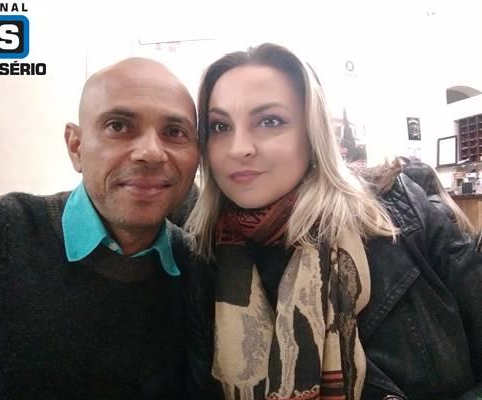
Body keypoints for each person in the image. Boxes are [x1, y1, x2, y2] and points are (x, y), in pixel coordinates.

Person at [185, 43, 482, 400]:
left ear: (313, 134)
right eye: (220, 126)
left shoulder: (405, 216)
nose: (239, 148)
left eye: (269, 121)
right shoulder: (200, 259)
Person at [0, 58, 199, 399]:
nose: (151, 153)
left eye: (174, 132)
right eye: (118, 126)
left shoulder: (200, 272)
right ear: (76, 146)